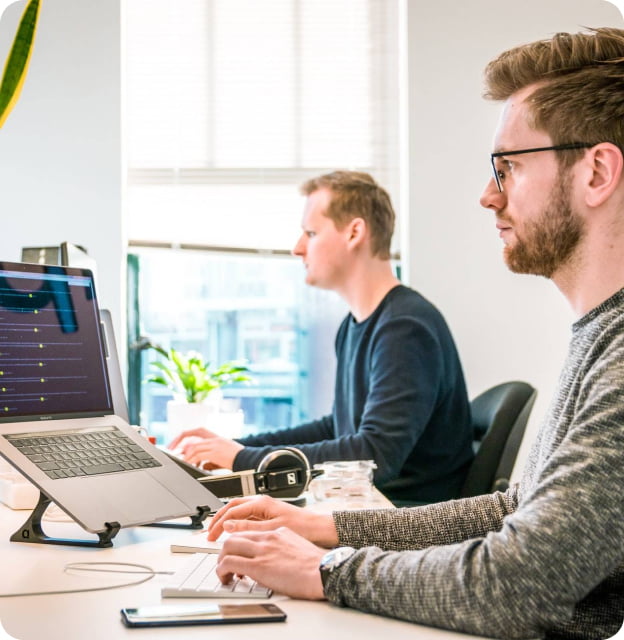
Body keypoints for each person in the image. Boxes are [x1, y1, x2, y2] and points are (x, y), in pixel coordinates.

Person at [203, 27, 624, 640]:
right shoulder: (598, 336)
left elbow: (522, 580)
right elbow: (515, 511)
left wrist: (327, 569)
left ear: (596, 173)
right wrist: (328, 530)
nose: (487, 196)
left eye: (507, 168)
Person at [169, 170, 474, 505]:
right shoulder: (357, 325)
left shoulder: (405, 328)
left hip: (403, 519)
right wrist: (239, 447)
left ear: (354, 232)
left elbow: (375, 457)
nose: (297, 248)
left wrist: (243, 459)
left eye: (311, 233)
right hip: (369, 507)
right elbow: (338, 428)